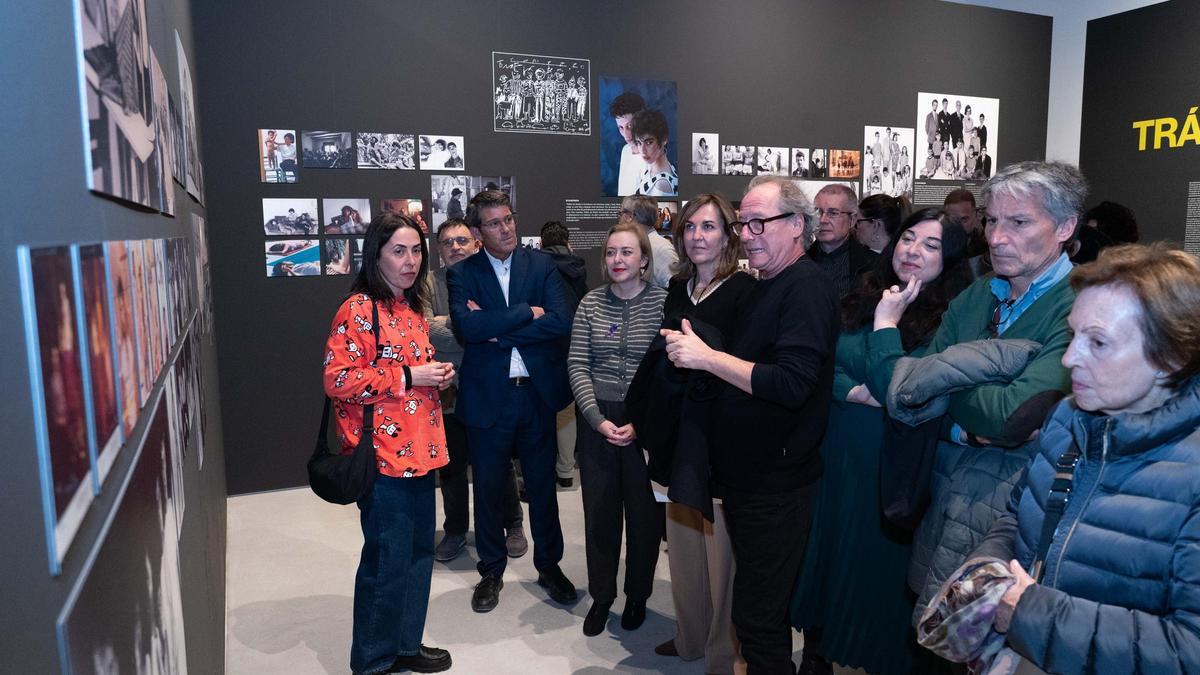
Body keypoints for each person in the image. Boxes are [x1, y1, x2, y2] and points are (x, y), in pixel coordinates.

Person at [957, 243, 1200, 674]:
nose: (1070, 359)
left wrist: (1031, 615)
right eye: (1073, 336)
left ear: (1170, 356)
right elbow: (1019, 515)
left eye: (1099, 343)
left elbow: (1188, 651)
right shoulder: (1068, 418)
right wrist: (988, 570)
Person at [660, 175, 838, 673]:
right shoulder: (769, 285)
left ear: (797, 225)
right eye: (745, 222)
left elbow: (791, 383)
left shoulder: (806, 287)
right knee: (757, 617)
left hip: (776, 485)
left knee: (759, 622)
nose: (750, 232)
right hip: (749, 480)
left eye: (761, 222)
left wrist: (708, 358)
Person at [792, 208, 973, 675]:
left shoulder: (953, 317)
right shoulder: (864, 292)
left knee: (877, 567)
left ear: (949, 257)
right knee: (826, 553)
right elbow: (822, 362)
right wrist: (852, 389)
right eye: (909, 238)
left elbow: (905, 391)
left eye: (931, 245)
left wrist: (885, 327)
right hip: (836, 451)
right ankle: (819, 649)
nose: (913, 251)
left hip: (892, 461)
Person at [907, 161, 1086, 629]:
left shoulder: (1082, 304)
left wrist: (949, 385)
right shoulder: (978, 293)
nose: (995, 237)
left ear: (1065, 227)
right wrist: (972, 421)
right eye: (991, 220)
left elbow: (1014, 418)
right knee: (942, 634)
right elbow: (911, 389)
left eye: (1019, 222)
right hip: (946, 498)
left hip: (1017, 514)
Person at [322, 212, 455, 675]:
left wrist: (435, 376)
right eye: (399, 250)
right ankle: (373, 662)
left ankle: (404, 645)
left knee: (418, 555)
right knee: (385, 562)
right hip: (381, 459)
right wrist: (407, 375)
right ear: (376, 254)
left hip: (422, 454)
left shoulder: (410, 309)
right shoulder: (358, 309)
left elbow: (412, 372)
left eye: (417, 250)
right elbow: (337, 379)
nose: (411, 260)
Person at [638, 193, 756, 675]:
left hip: (719, 436)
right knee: (682, 541)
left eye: (709, 227)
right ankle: (688, 637)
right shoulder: (680, 286)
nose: (698, 236)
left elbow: (744, 366)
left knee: (720, 553)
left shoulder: (744, 290)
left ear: (728, 233)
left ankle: (721, 653)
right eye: (690, 228)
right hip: (675, 430)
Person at [447, 190, 578, 613]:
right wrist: (526, 312)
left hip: (535, 397)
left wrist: (497, 331)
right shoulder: (462, 273)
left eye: (509, 219)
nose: (505, 228)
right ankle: (490, 569)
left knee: (542, 489)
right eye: (494, 223)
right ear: (478, 232)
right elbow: (467, 328)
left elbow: (560, 322)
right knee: (487, 489)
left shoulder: (541, 264)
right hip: (489, 399)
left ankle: (549, 566)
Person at [569, 222, 667, 636]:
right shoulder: (590, 304)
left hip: (645, 422)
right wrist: (598, 419)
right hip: (599, 423)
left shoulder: (665, 303)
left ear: (644, 259)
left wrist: (640, 423)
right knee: (601, 517)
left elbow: (668, 369)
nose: (617, 260)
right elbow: (577, 365)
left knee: (645, 520)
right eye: (610, 253)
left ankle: (638, 595)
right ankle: (603, 596)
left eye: (626, 252)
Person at [427, 219, 526, 563]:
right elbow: (425, 330)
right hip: (448, 392)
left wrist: (453, 323)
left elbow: (506, 323)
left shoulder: (491, 278)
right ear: (438, 249)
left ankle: (512, 524)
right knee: (452, 467)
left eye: (461, 240)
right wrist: (474, 328)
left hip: (489, 387)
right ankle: (455, 530)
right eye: (447, 242)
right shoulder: (427, 283)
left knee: (499, 463)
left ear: (476, 244)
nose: (455, 247)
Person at [539, 220, 589, 488]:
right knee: (568, 410)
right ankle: (566, 471)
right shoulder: (577, 267)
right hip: (573, 344)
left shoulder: (537, 265)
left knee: (544, 411)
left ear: (542, 241)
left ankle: (543, 471)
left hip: (545, 344)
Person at [808, 184, 878, 297]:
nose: (822, 220)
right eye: (818, 212)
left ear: (853, 220)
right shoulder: (799, 261)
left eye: (833, 213)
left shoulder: (873, 265)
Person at [620, 195, 679, 289]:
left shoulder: (662, 250)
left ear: (630, 216)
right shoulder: (638, 244)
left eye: (621, 213)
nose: (619, 219)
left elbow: (676, 289)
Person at [631, 109, 678, 197]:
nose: (642, 150)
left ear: (664, 139)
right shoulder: (649, 168)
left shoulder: (661, 185)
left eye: (649, 142)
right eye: (638, 143)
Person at [944, 188, 989, 275]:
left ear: (977, 215)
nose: (957, 226)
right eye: (951, 220)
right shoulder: (937, 247)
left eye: (964, 219)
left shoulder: (986, 249)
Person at [609, 92, 647, 195]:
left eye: (629, 126)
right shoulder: (625, 150)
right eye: (621, 127)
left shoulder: (651, 157)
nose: (626, 135)